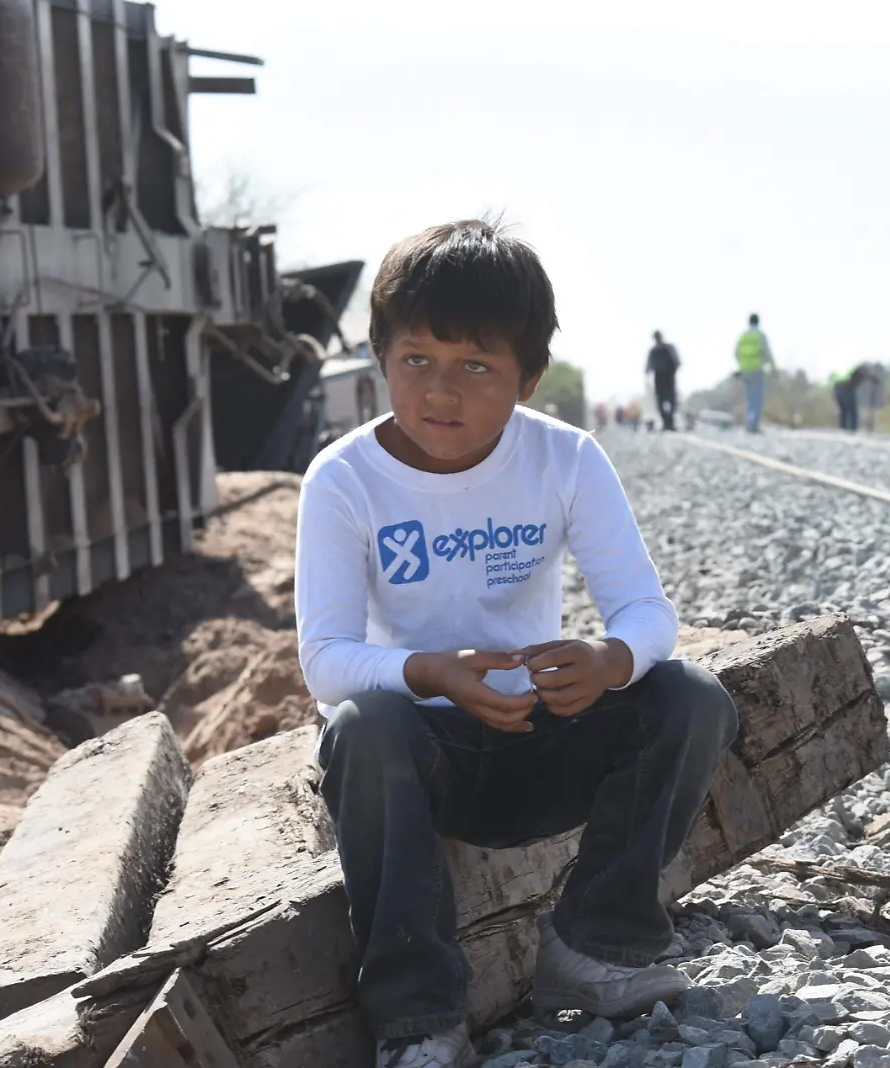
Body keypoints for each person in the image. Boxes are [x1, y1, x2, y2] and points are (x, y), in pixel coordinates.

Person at [296, 219, 739, 1068]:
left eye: (476, 366)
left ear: (528, 379)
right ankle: (419, 1022)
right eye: (415, 359)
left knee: (690, 696)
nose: (439, 392)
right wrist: (429, 673)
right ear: (380, 356)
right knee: (364, 727)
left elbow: (646, 613)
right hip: (419, 764)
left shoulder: (566, 459)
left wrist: (610, 662)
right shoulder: (345, 478)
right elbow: (325, 660)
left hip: (539, 741)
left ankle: (595, 950)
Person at [734, 313, 774, 432]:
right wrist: (772, 367)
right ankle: (754, 425)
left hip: (745, 371)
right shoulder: (760, 335)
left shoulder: (743, 336)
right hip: (756, 370)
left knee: (749, 399)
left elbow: (735, 353)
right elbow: (767, 352)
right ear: (758, 322)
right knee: (757, 398)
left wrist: (742, 365)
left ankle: (748, 424)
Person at [645, 331, 680, 432]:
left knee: (671, 401)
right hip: (659, 377)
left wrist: (674, 370)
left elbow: (677, 361)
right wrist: (647, 373)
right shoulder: (653, 351)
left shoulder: (669, 348)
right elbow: (649, 365)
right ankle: (666, 422)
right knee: (660, 402)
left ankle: (670, 422)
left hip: (669, 376)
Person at [831, 365, 870, 432]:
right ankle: (853, 430)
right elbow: (865, 374)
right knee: (853, 412)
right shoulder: (858, 372)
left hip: (837, 391)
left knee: (844, 412)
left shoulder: (850, 373)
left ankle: (842, 429)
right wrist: (873, 378)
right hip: (847, 390)